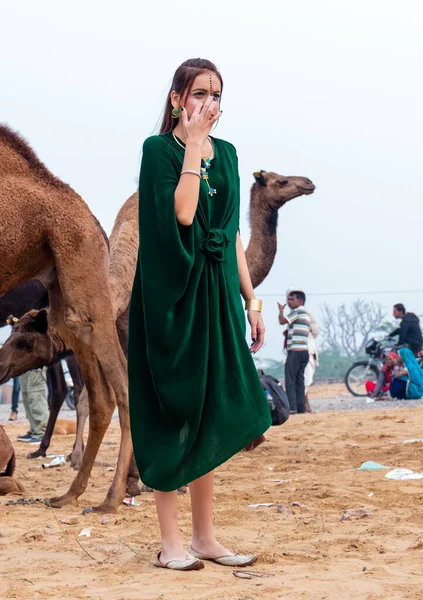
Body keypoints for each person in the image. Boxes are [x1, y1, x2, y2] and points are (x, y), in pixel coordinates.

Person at [128, 58, 271, 571]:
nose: (209, 104)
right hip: (171, 295)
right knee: (174, 408)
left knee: (212, 406)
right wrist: (191, 144)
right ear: (176, 100)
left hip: (215, 293)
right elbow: (183, 213)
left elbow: (229, 233)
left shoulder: (228, 154)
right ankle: (171, 544)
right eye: (198, 93)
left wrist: (250, 301)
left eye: (216, 94)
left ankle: (205, 538)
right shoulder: (159, 150)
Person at [278, 290, 311, 414]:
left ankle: (292, 407)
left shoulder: (298, 312)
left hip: (295, 351)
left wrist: (281, 310)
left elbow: (282, 321)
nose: (289, 301)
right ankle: (300, 408)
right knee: (299, 380)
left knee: (290, 379)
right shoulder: (305, 313)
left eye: (292, 299)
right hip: (304, 351)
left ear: (300, 301)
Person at [16, 368, 49, 444]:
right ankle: (34, 430)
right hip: (24, 366)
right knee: (26, 397)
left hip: (36, 366)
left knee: (36, 397)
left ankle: (41, 433)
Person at [304, 311, 319, 413]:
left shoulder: (309, 335)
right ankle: (305, 406)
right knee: (305, 382)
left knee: (307, 382)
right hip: (304, 354)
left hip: (309, 354)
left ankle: (305, 405)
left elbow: (315, 332)